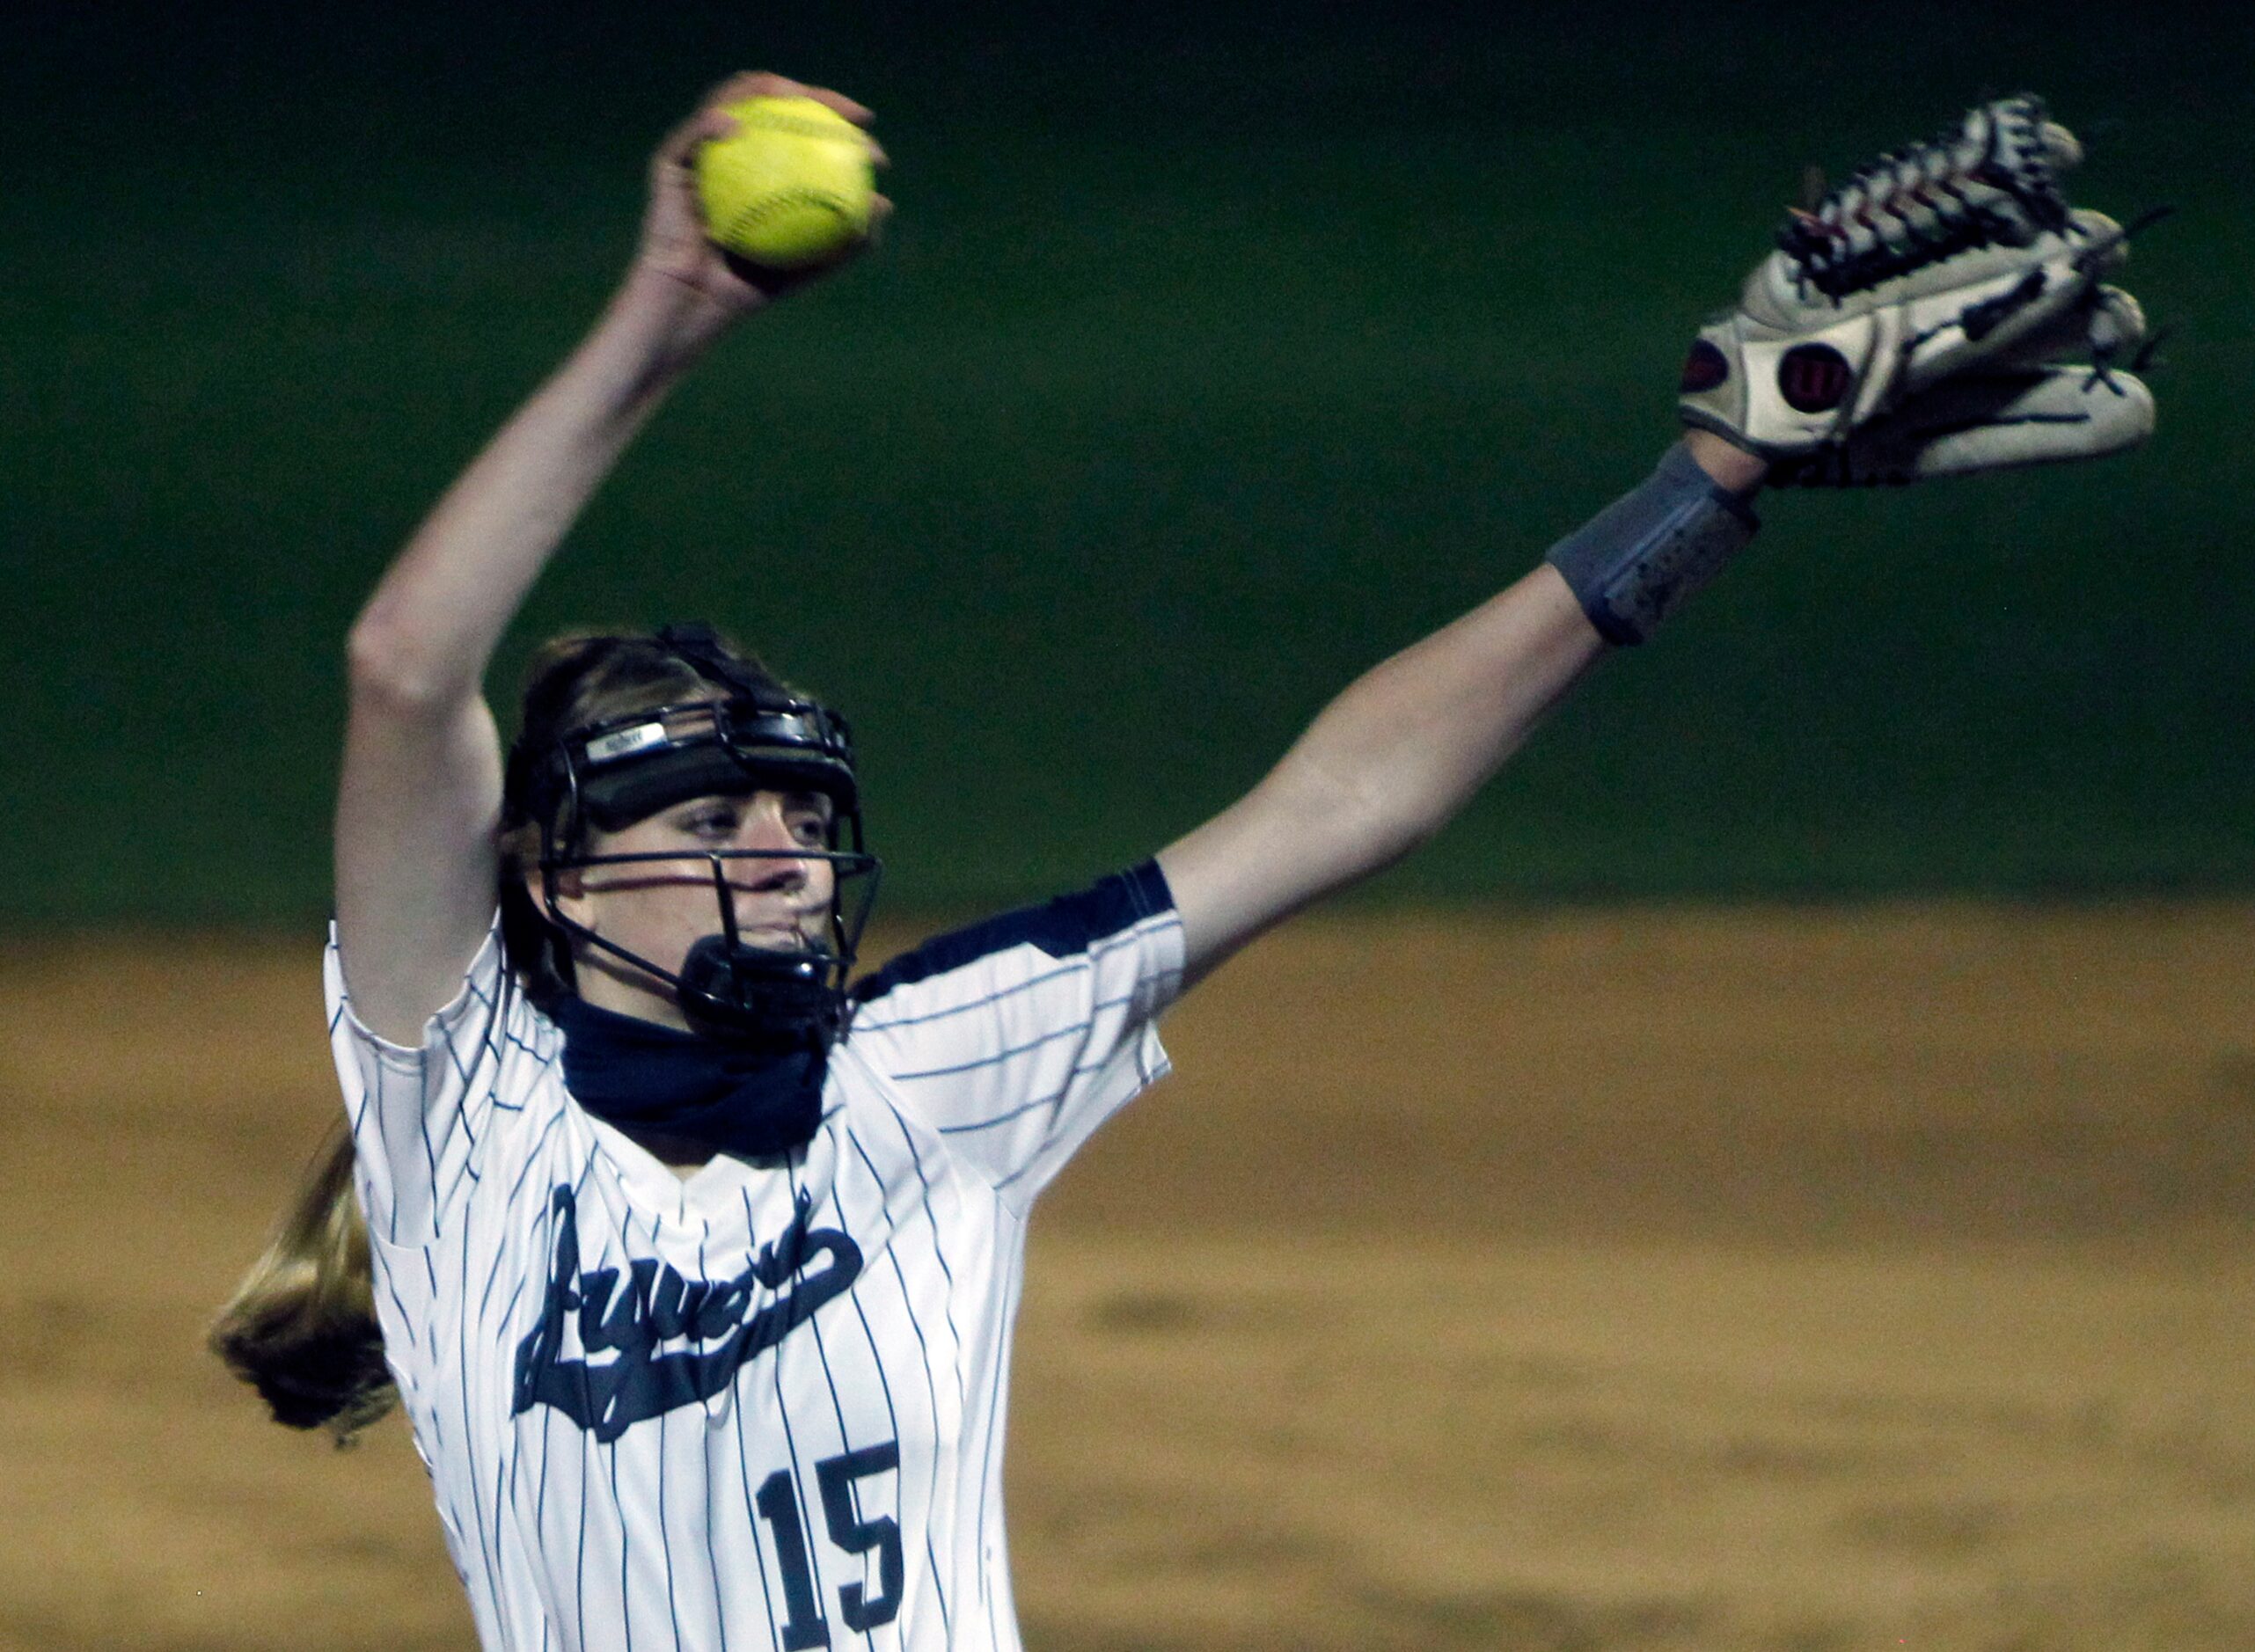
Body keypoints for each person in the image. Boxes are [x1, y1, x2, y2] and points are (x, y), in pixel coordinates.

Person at [212, 74, 2152, 1652]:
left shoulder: (931, 1073)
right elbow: (404, 670)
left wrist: (1708, 487)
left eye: (801, 825)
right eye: (710, 827)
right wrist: (660, 324)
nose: (782, 869)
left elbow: (1333, 804)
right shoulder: (461, 1119)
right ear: (549, 880)